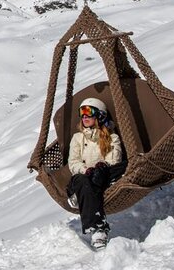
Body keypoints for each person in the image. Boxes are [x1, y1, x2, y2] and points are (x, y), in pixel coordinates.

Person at [66, 97, 126, 250]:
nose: (84, 117)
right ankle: (98, 228)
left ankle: (82, 197)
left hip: (102, 177)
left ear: (99, 115)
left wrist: (103, 165)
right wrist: (86, 169)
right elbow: (73, 162)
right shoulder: (78, 138)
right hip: (82, 177)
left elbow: (115, 158)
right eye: (82, 113)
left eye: (88, 113)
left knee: (103, 171)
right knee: (82, 180)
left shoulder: (112, 138)